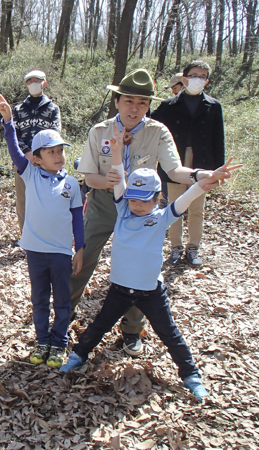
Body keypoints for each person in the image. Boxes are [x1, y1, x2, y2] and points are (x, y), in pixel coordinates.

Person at [59, 129, 241, 402]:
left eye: (144, 201)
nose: (137, 205)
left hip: (151, 292)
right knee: (99, 325)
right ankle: (78, 355)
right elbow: (119, 178)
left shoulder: (162, 217)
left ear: (157, 198)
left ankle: (191, 376)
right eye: (133, 199)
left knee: (171, 335)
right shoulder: (122, 210)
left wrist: (207, 179)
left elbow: (189, 196)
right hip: (120, 290)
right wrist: (118, 152)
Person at [71, 68, 222, 357]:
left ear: (148, 105)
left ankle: (131, 331)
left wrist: (202, 174)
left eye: (142, 103)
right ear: (117, 101)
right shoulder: (100, 131)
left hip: (143, 209)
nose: (135, 108)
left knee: (141, 268)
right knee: (84, 255)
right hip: (104, 203)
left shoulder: (158, 132)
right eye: (129, 101)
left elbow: (175, 170)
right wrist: (109, 181)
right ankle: (67, 310)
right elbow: (89, 177)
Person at [0, 93, 84, 367]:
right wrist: (8, 122)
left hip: (60, 252)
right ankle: (42, 340)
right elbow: (13, 149)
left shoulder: (71, 183)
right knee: (39, 300)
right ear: (36, 158)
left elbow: (78, 221)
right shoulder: (29, 173)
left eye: (61, 151)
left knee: (61, 300)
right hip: (35, 251)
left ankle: (59, 342)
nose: (58, 156)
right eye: (51, 152)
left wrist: (79, 249)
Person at [152, 61, 225, 267]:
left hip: (203, 162)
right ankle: (176, 247)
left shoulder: (213, 106)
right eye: (194, 75)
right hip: (174, 162)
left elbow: (218, 139)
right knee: (175, 206)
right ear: (184, 79)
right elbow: (151, 125)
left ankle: (193, 247)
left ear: (207, 81)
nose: (198, 79)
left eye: (202, 76)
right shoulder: (168, 106)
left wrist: (218, 170)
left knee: (196, 208)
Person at [12, 70, 62, 233]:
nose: (33, 83)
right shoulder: (18, 109)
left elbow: (55, 134)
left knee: (48, 198)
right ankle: (25, 234)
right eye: (30, 81)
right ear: (26, 85)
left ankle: (46, 232)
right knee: (23, 200)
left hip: (47, 162)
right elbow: (14, 134)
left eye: (37, 80)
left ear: (44, 83)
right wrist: (27, 153)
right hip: (23, 161)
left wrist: (40, 155)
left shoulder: (53, 108)